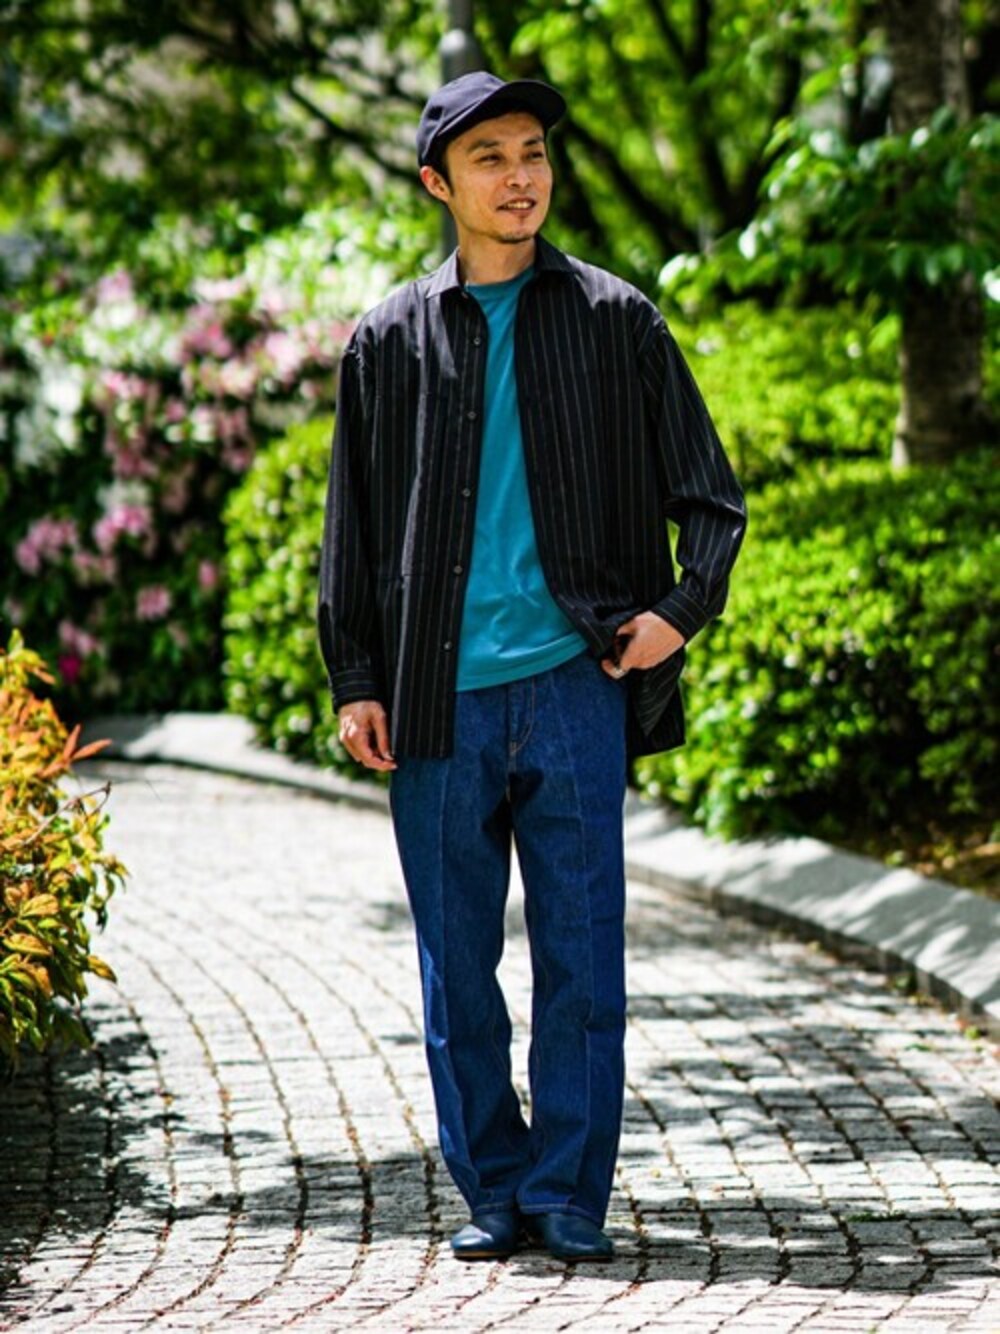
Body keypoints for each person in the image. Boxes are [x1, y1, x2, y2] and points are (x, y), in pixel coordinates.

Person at [318, 71, 747, 1264]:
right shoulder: (388, 341)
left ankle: (566, 1192)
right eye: (490, 158)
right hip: (434, 697)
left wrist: (676, 614)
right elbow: (352, 522)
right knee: (456, 967)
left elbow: (710, 496)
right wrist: (355, 676)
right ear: (437, 183)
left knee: (583, 957)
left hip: (574, 684)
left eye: (534, 153)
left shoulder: (616, 319)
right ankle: (492, 1185)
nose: (520, 177)